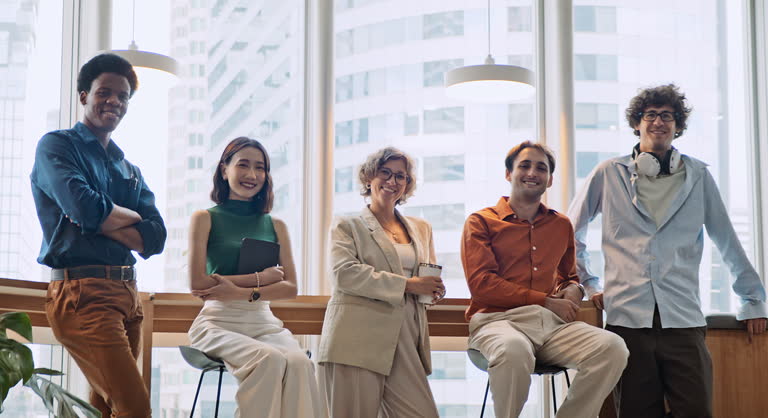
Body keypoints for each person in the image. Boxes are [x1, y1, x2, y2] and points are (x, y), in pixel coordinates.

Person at [568, 84, 768, 418]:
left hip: (683, 320)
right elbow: (568, 232)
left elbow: (727, 240)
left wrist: (753, 300)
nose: (658, 122)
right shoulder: (608, 173)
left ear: (677, 125)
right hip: (627, 321)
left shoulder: (698, 176)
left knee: (696, 411)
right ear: (637, 123)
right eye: (650, 115)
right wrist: (589, 284)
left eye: (667, 116)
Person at [30, 53, 166, 418]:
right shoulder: (57, 147)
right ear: (83, 95)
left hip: (128, 297)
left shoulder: (129, 169)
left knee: (106, 409)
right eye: (105, 92)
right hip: (83, 294)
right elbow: (84, 209)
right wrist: (125, 218)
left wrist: (105, 219)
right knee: (134, 408)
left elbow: (156, 237)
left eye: (123, 97)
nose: (115, 102)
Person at [461, 141, 628, 418]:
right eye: (524, 165)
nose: (532, 172)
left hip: (549, 327)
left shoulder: (560, 224)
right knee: (514, 350)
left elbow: (568, 277)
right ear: (508, 174)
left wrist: (574, 289)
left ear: (549, 179)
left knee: (612, 347)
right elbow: (482, 285)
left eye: (541, 168)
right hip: (497, 323)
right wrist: (547, 301)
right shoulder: (481, 222)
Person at [187, 137, 326, 418]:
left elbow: (290, 288)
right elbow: (198, 284)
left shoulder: (276, 224)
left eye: (260, 168)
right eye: (243, 165)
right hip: (218, 322)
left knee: (300, 364)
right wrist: (260, 277)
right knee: (268, 359)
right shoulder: (204, 218)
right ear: (224, 170)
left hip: (264, 323)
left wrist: (238, 289)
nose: (252, 175)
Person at [318, 147, 444, 418]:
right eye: (384, 172)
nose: (392, 181)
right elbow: (344, 274)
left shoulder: (421, 228)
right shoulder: (347, 225)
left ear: (407, 184)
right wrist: (410, 285)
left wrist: (433, 289)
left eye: (400, 176)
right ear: (368, 178)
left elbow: (425, 274)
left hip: (407, 338)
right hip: (356, 338)